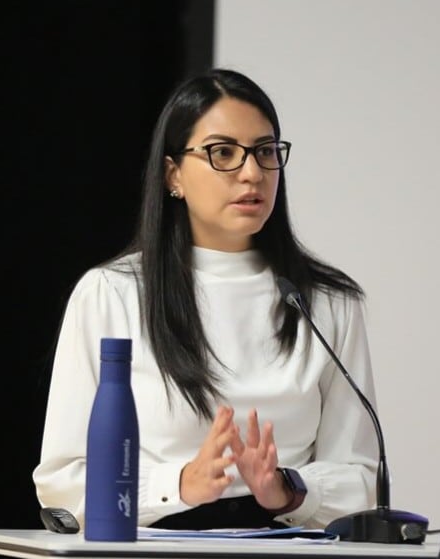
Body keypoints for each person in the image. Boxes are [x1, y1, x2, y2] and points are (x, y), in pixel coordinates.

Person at [32, 68, 378, 530]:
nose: (252, 173)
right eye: (223, 153)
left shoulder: (328, 303)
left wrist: (286, 489)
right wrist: (179, 484)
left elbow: (361, 481)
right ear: (173, 174)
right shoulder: (112, 294)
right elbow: (64, 482)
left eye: (265, 152)